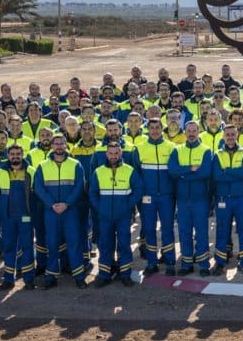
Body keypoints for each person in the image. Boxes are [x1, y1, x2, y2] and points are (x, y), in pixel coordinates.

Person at [34, 135, 88, 289]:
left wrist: (67, 204)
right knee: (52, 244)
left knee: (74, 243)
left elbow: (79, 186)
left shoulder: (75, 164)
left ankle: (79, 276)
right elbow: (38, 188)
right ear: (51, 146)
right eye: (56, 143)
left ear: (66, 145)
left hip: (70, 211)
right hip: (51, 211)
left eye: (61, 143)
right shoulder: (42, 166)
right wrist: (52, 204)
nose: (58, 146)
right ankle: (51, 276)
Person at [89, 140, 143, 287]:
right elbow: (92, 193)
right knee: (105, 245)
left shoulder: (129, 170)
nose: (113, 156)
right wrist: (99, 207)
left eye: (116, 153)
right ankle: (104, 275)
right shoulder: (98, 171)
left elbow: (138, 190)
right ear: (106, 154)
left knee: (124, 244)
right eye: (111, 153)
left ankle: (125, 274)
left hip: (123, 216)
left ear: (121, 153)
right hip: (105, 215)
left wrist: (128, 205)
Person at [172, 120, 215, 276]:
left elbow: (205, 173)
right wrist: (191, 169)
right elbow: (172, 170)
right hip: (183, 200)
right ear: (184, 132)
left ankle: (204, 265)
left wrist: (183, 174)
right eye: (188, 131)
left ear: (198, 132)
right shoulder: (177, 150)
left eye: (194, 131)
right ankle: (186, 264)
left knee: (202, 233)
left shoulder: (206, 150)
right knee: (184, 232)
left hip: (200, 199)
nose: (191, 134)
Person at [135, 118, 177, 276]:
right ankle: (152, 262)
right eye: (151, 128)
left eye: (157, 127)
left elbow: (174, 174)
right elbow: (136, 176)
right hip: (148, 197)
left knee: (167, 228)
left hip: (167, 196)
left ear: (162, 129)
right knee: (149, 229)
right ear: (147, 129)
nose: (154, 130)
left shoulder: (172, 147)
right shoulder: (139, 148)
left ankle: (170, 260)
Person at [213, 125, 243, 275]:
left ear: (237, 135)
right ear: (223, 136)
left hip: (241, 199)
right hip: (223, 199)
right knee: (222, 230)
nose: (230, 137)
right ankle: (220, 262)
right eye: (227, 134)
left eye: (232, 134)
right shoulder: (217, 154)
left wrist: (227, 172)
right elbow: (217, 176)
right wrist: (234, 174)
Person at [0, 144, 36, 290]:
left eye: (18, 153)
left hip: (25, 217)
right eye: (12, 154)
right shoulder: (1, 171)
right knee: (9, 248)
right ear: (8, 155)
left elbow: (35, 195)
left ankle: (29, 279)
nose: (15, 156)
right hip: (8, 217)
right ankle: (8, 279)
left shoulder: (31, 171)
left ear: (23, 154)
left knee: (27, 247)